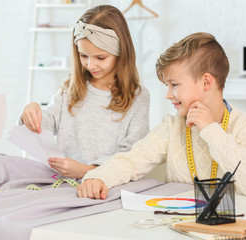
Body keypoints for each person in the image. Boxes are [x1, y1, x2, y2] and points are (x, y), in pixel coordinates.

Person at [77, 32, 246, 199]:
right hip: (178, 223)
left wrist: (211, 131)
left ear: (206, 82)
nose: (168, 94)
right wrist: (98, 177)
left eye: (175, 85)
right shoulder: (173, 126)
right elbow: (132, 160)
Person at [20, 5, 150, 179]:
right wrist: (31, 114)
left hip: (107, 185)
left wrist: (86, 171)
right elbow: (44, 126)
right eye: (83, 56)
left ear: (121, 53)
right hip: (64, 185)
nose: (90, 65)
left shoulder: (137, 97)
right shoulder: (71, 88)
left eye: (100, 57)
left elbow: (131, 156)